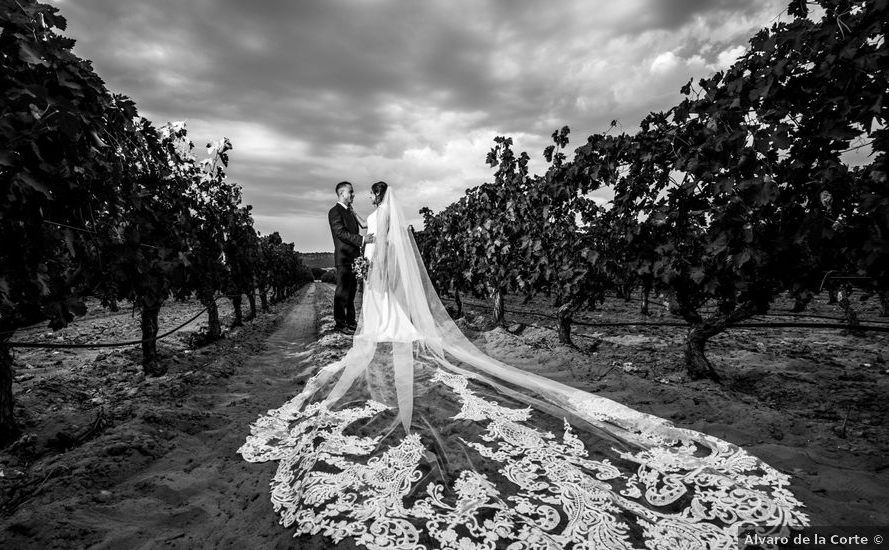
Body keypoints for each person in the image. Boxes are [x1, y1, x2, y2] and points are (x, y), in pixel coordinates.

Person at [240, 183, 808, 549]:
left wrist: (367, 251)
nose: (362, 200)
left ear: (375, 200)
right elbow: (375, 250)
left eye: (366, 195)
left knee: (384, 319)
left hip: (376, 277)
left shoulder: (376, 223)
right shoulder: (381, 221)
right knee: (395, 320)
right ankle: (393, 330)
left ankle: (386, 331)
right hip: (380, 278)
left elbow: (374, 252)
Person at [328, 181, 374, 335]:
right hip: (344, 258)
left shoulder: (349, 212)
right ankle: (340, 325)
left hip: (354, 259)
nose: (353, 195)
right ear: (342, 194)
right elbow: (340, 233)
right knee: (341, 292)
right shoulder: (334, 211)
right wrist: (362, 240)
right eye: (351, 192)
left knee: (352, 292)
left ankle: (351, 322)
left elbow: (361, 225)